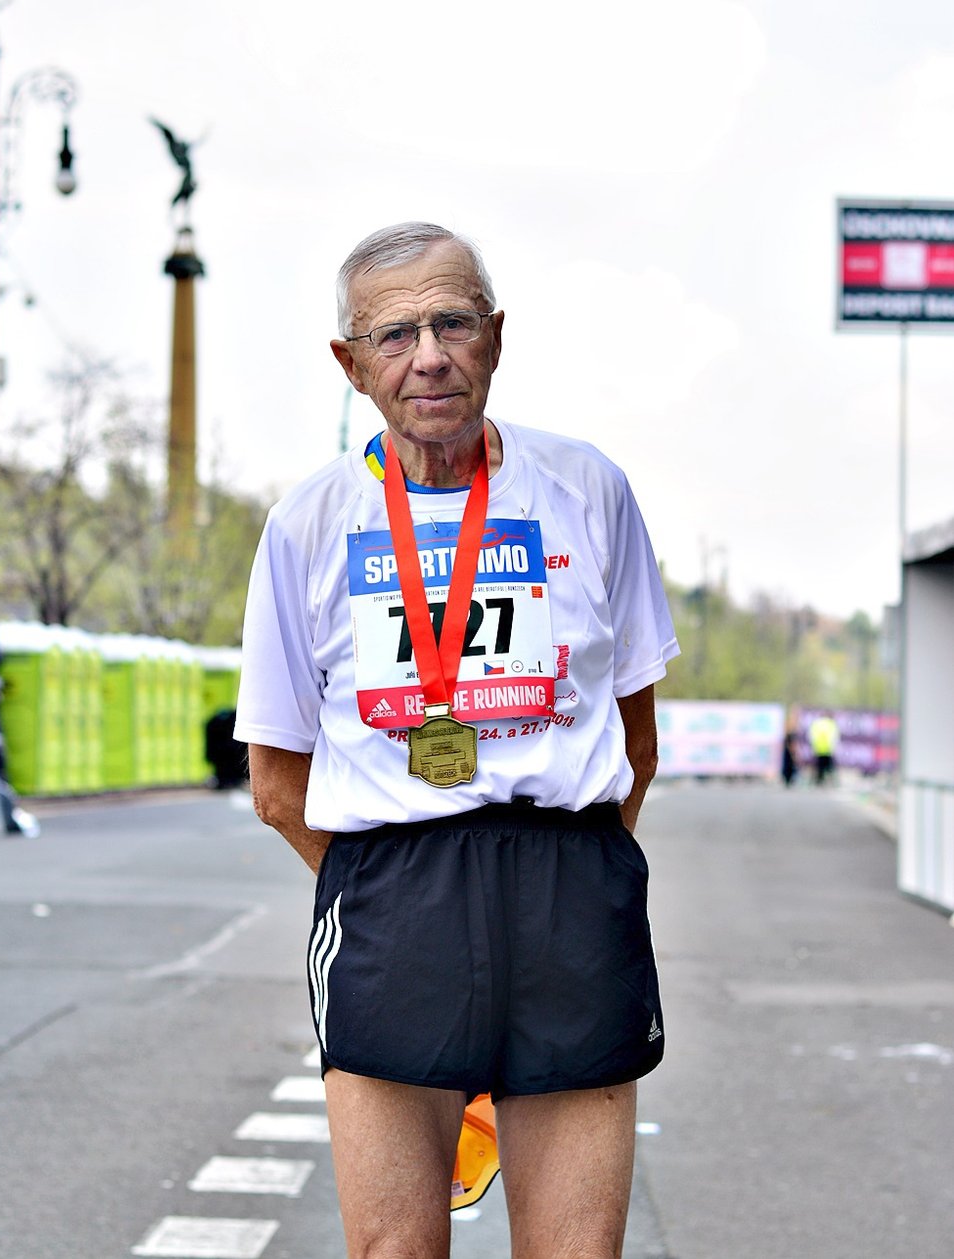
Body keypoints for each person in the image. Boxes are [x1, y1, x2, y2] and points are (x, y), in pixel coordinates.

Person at [234, 222, 680, 1259]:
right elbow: (274, 781)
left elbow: (637, 737)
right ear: (350, 365)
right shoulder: (308, 524)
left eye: (453, 322)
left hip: (570, 887)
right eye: (394, 334)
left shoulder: (589, 489)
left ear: (496, 337)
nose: (428, 354)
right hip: (394, 898)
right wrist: (388, 880)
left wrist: (574, 865)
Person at [808, 710, 839, 785]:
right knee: (829, 767)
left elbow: (811, 736)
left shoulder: (816, 723)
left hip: (818, 748)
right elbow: (834, 737)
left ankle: (819, 781)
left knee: (819, 767)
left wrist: (813, 746)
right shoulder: (831, 723)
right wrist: (833, 748)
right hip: (828, 749)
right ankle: (831, 781)